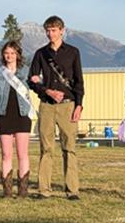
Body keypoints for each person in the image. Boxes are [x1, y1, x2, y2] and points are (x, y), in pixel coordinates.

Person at [28, 16, 84, 200]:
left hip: (68, 105)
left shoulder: (73, 52)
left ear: (62, 30)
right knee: (46, 148)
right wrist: (47, 91)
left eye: (53, 30)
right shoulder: (40, 54)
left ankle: (72, 189)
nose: (50, 34)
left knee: (69, 148)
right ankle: (44, 189)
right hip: (47, 105)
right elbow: (32, 80)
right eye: (48, 30)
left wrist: (79, 104)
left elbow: (78, 82)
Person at [0, 41, 34, 198]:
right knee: (6, 155)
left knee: (23, 154)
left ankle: (22, 191)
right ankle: (7, 191)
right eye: (7, 53)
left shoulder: (26, 72)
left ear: (18, 55)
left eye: (13, 53)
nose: (9, 56)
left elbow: (35, 87)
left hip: (22, 115)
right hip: (4, 115)